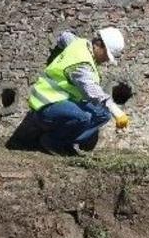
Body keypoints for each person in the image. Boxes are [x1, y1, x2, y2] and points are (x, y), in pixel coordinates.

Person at [27, 27, 129, 155]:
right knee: (83, 117)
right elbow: (93, 92)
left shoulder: (78, 43)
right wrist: (117, 112)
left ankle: (65, 142)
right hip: (45, 105)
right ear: (98, 45)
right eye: (107, 55)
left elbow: (64, 36)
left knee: (103, 114)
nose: (107, 59)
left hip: (63, 101)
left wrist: (60, 47)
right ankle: (51, 141)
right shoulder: (82, 64)